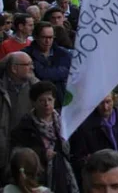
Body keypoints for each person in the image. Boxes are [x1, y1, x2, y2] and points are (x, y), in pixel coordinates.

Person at [10, 81, 79, 192]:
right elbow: (19, 155)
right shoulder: (25, 128)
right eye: (41, 100)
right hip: (39, 178)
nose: (46, 104)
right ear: (33, 103)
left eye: (50, 100)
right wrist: (42, 154)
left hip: (65, 175)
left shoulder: (64, 122)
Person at [70, 93, 118, 186]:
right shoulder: (85, 126)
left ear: (114, 100)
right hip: (103, 176)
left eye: (108, 102)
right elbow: (77, 157)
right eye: (101, 103)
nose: (105, 107)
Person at [0, 52, 37, 180]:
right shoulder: (2, 88)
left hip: (26, 150)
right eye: (28, 64)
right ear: (14, 68)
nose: (32, 67)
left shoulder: (37, 89)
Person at [22, 22, 71, 103]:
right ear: (36, 37)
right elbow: (41, 74)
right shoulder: (26, 54)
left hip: (61, 99)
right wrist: (60, 73)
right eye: (44, 37)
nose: (47, 41)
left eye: (51, 37)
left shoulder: (64, 53)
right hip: (37, 101)